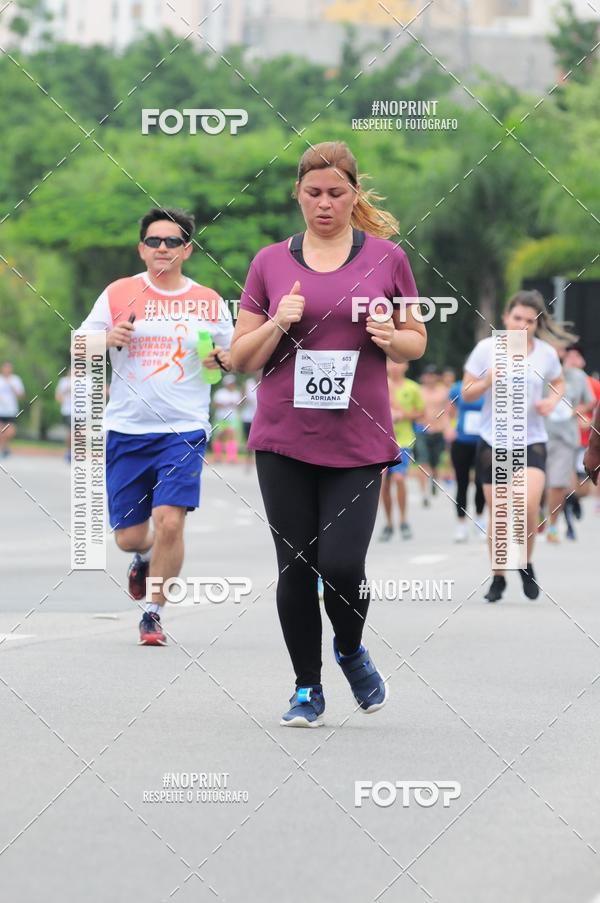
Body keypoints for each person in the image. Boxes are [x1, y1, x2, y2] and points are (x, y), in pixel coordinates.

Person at [230, 140, 426, 727]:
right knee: (295, 567)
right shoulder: (269, 262)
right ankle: (306, 687)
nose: (324, 203)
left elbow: (417, 340)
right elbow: (240, 357)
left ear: (354, 195)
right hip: (284, 435)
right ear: (297, 195)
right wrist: (277, 324)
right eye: (313, 193)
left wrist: (393, 338)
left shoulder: (387, 258)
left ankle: (349, 649)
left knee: (342, 566)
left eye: (336, 193)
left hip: (358, 439)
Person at [78, 207, 233, 645]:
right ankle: (142, 557)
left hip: (184, 427)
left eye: (172, 242)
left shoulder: (208, 301)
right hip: (128, 427)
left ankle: (153, 612)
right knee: (129, 537)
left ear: (187, 249)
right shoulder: (118, 292)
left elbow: (225, 361)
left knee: (170, 521)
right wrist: (104, 339)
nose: (162, 249)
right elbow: (79, 341)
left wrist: (218, 363)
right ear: (141, 248)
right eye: (154, 241)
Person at [463, 290, 568, 603]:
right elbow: (466, 393)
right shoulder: (486, 350)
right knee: (500, 512)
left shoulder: (545, 354)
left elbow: (558, 382)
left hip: (531, 440)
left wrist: (552, 400)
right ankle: (498, 578)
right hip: (492, 441)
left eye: (530, 321)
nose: (522, 325)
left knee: (526, 506)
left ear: (537, 324)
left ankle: (525, 563)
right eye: (517, 318)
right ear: (506, 318)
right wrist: (485, 382)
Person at [544, 344, 594, 542]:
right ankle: (539, 510)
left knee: (558, 483)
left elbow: (590, 401)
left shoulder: (578, 378)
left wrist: (575, 411)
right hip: (539, 435)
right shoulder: (540, 371)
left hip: (566, 438)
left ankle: (554, 525)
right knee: (540, 482)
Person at [379, 360, 424, 541]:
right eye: (391, 363)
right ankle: (389, 523)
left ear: (406, 366)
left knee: (399, 479)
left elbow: (421, 413)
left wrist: (401, 415)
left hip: (403, 441)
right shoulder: (380, 383)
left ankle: (404, 520)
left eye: (399, 363)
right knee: (383, 485)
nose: (395, 367)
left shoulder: (412, 387)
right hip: (381, 440)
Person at [447, 377, 485, 542]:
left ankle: (480, 520)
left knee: (481, 483)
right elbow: (449, 412)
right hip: (462, 441)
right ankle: (461, 524)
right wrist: (449, 429)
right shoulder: (458, 388)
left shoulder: (490, 385)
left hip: (483, 441)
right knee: (462, 483)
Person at [414, 365, 449, 505]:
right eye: (428, 375)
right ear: (423, 377)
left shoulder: (444, 392)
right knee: (423, 461)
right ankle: (424, 495)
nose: (430, 378)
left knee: (435, 463)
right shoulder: (418, 391)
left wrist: (447, 429)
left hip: (438, 431)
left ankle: (433, 482)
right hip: (422, 430)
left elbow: (447, 412)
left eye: (433, 375)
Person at [212, 374, 242, 463]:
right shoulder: (220, 393)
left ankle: (231, 458)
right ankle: (217, 457)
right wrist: (225, 404)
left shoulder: (236, 393)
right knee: (219, 436)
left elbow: (239, 404)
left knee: (232, 436)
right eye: (230, 383)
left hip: (232, 418)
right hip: (221, 418)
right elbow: (215, 405)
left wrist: (234, 404)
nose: (231, 385)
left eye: (232, 383)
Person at [0, 362, 25, 457]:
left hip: (11, 410)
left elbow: (21, 395)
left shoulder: (15, 379)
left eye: (8, 368)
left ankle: (5, 446)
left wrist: (12, 387)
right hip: (0, 410)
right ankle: (2, 449)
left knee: (10, 432)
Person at [240, 374, 258, 469]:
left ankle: (258, 463)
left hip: (259, 418)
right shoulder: (248, 383)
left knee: (259, 442)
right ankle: (248, 462)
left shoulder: (266, 380)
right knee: (249, 442)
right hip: (247, 418)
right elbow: (241, 400)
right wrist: (244, 398)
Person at [55, 367, 72, 462]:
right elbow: (58, 396)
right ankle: (69, 451)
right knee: (71, 432)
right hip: (68, 410)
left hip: (83, 412)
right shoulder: (64, 382)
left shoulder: (85, 380)